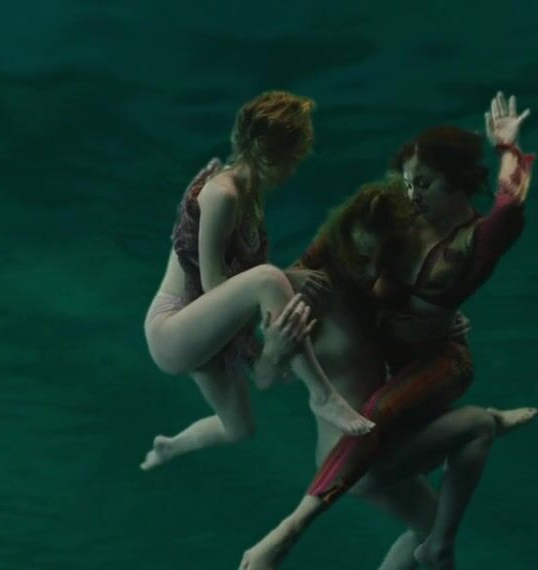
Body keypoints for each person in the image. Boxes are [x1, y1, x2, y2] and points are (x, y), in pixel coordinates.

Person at [241, 92, 534, 570]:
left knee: (380, 413)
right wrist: (282, 298)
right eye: (408, 182)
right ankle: (483, 429)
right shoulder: (392, 218)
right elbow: (310, 264)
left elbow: (510, 206)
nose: (413, 195)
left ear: (456, 182)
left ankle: (290, 530)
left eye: (425, 184)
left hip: (438, 362)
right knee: (429, 496)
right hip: (392, 370)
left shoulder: (472, 241)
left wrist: (507, 147)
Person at [141, 91, 372, 473]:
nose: (294, 170)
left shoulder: (249, 195)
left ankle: (169, 447)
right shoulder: (223, 195)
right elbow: (214, 287)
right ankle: (322, 396)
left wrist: (273, 346)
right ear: (272, 155)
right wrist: (283, 281)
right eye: (293, 159)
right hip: (174, 329)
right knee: (269, 278)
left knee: (239, 428)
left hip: (208, 335)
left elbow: (260, 371)